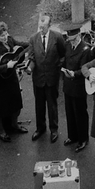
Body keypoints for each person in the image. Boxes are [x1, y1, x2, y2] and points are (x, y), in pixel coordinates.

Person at [28, 12, 65, 143]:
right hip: (38, 79)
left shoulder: (58, 37)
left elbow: (63, 55)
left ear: (49, 26)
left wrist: (57, 67)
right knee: (39, 106)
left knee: (52, 106)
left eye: (43, 26)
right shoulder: (33, 39)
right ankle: (40, 128)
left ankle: (54, 129)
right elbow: (31, 57)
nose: (41, 28)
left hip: (51, 78)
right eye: (40, 26)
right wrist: (29, 68)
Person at [0, 22, 26, 141]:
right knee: (0, 108)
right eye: (2, 36)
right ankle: (1, 130)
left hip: (11, 78)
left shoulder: (9, 39)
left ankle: (14, 124)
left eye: (6, 34)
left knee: (15, 102)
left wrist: (33, 42)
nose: (5, 37)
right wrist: (6, 66)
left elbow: (19, 44)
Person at [61, 22, 94, 153]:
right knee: (69, 112)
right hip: (68, 84)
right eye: (70, 39)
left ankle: (83, 139)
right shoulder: (68, 45)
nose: (71, 42)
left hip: (79, 85)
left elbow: (86, 68)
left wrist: (75, 73)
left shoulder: (85, 50)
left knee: (80, 113)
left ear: (79, 35)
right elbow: (65, 60)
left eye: (73, 39)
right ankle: (72, 135)